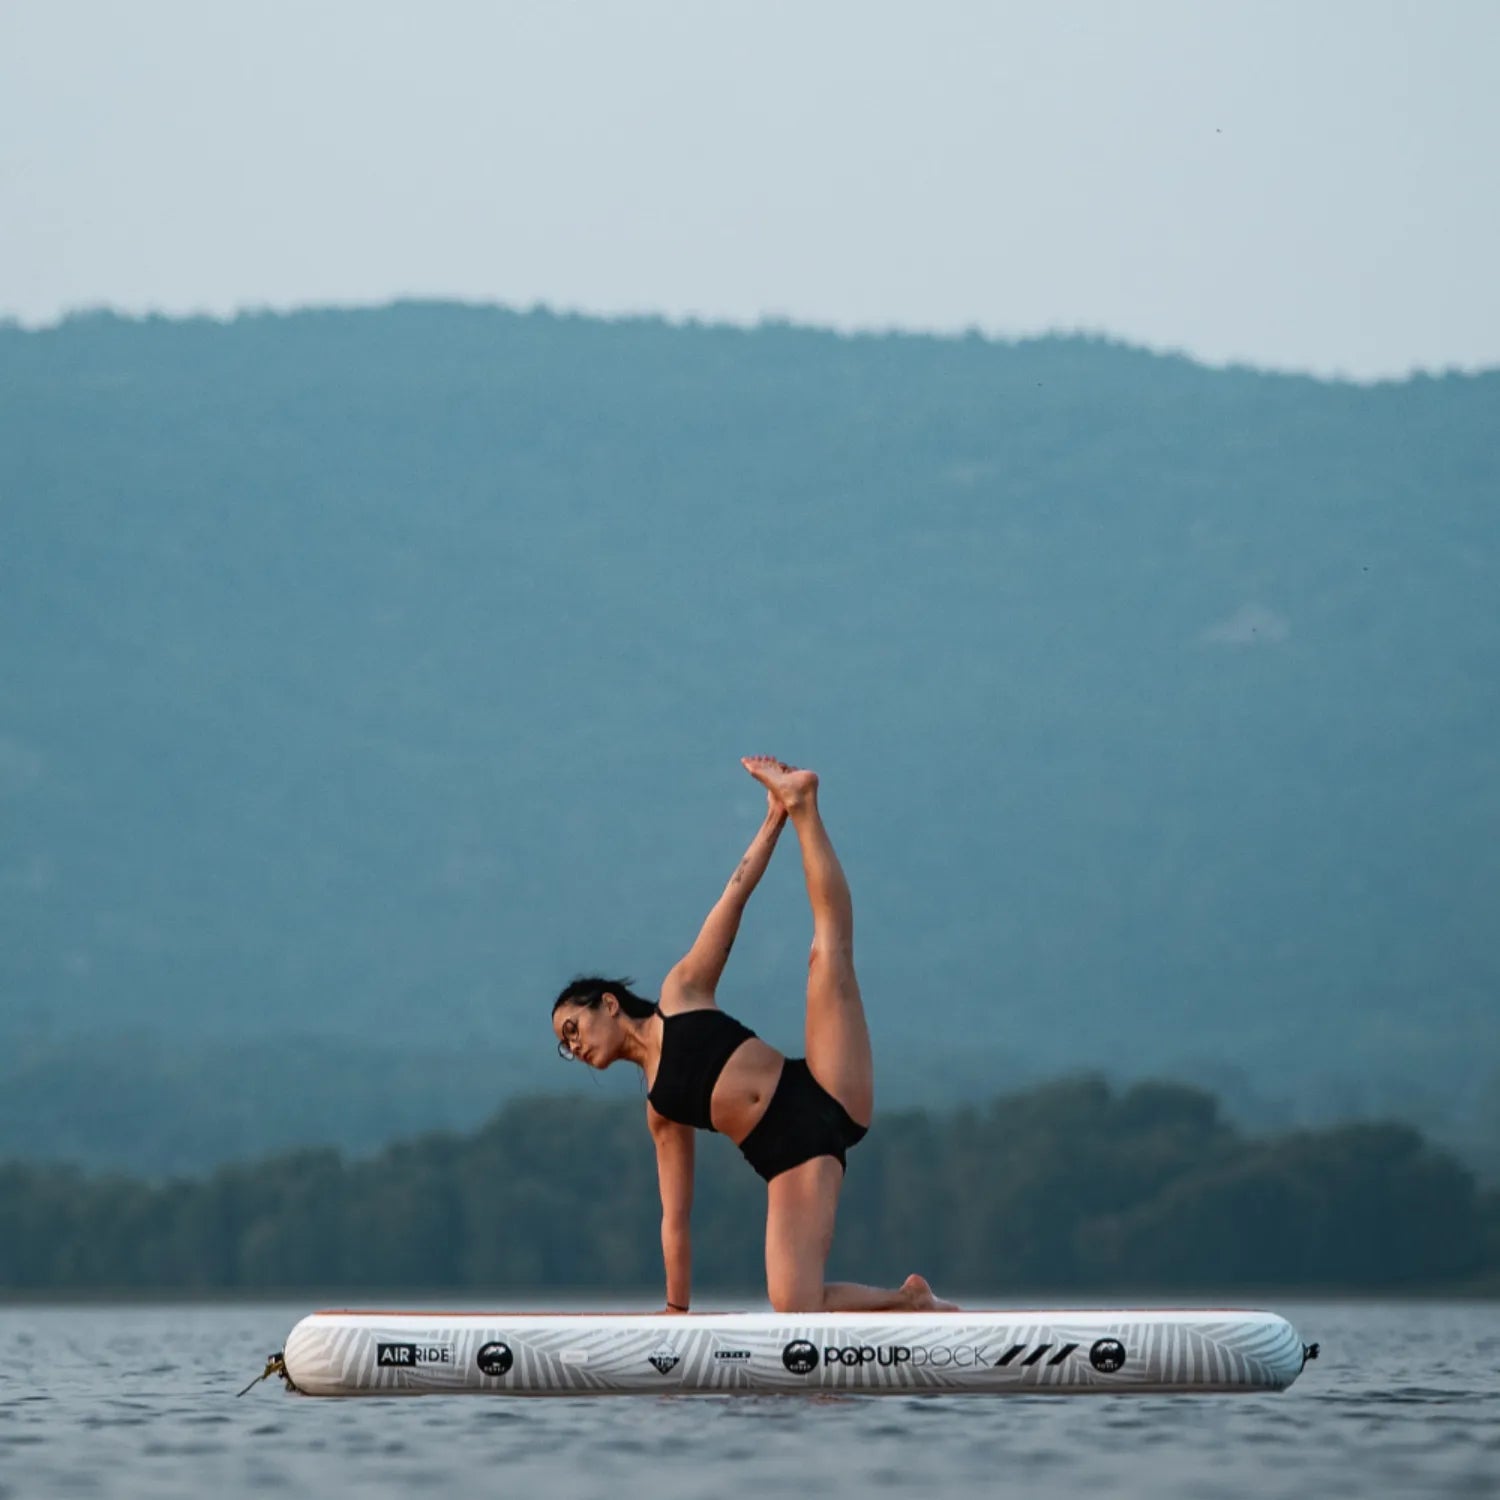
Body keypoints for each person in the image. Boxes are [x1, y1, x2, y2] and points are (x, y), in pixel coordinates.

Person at [552, 756, 956, 1315]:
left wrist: (776, 818)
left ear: (609, 1003)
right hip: (789, 1158)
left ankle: (805, 804)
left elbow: (734, 895)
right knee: (793, 1304)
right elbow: (676, 1217)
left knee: (826, 955)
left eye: (573, 1027)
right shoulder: (660, 1109)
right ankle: (911, 1301)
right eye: (564, 1046)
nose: (573, 1045)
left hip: (824, 1087)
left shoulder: (682, 992)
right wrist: (675, 1309)